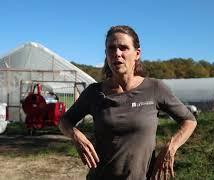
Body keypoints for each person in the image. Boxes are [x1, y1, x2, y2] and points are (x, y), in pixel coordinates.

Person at [59, 25, 197, 180]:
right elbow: (64, 121)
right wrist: (75, 135)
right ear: (106, 54)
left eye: (123, 48)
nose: (117, 53)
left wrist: (172, 146)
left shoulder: (154, 88)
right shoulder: (94, 92)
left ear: (137, 54)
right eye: (111, 48)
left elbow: (189, 120)